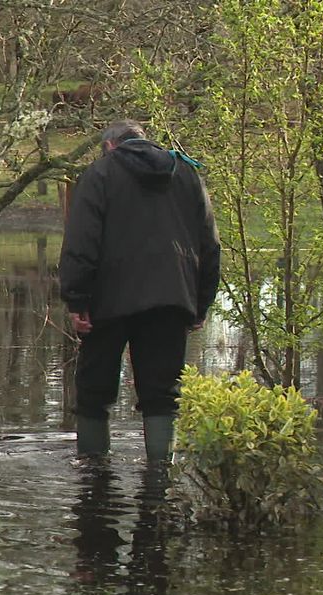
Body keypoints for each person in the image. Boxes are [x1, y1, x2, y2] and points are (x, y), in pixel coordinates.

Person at [59, 119, 221, 462]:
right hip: (171, 299)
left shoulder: (99, 175)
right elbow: (209, 244)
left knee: (94, 391)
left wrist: (77, 299)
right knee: (163, 394)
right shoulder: (187, 174)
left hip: (108, 301)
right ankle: (160, 476)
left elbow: (80, 242)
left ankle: (93, 473)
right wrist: (201, 303)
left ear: (110, 146)